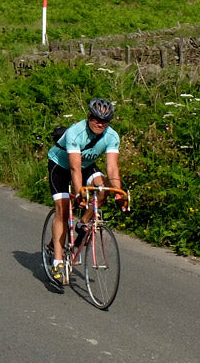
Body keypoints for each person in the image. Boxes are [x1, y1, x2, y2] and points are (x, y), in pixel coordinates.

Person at [46, 97, 126, 285]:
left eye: (105, 121)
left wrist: (119, 192)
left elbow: (112, 168)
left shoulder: (112, 136)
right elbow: (74, 168)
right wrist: (80, 192)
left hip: (86, 165)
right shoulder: (75, 132)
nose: (100, 124)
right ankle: (57, 261)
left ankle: (83, 223)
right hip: (61, 166)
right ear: (89, 116)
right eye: (96, 119)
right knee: (63, 210)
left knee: (103, 188)